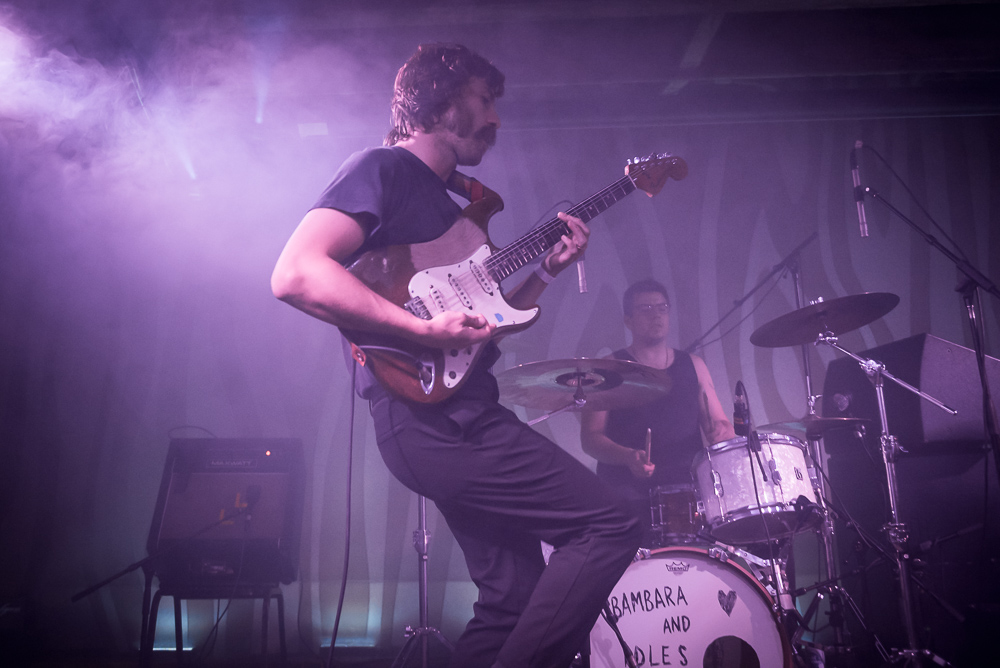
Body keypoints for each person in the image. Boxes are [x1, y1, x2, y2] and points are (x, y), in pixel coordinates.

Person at [271, 43, 641, 668]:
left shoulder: (456, 210)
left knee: (513, 600)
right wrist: (423, 331)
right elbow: (295, 273)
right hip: (438, 425)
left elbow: (476, 331)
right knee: (611, 523)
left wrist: (546, 273)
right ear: (439, 103)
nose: (495, 118)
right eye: (484, 100)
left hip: (457, 413)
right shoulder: (381, 168)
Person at [580, 279, 736, 546]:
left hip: (686, 495)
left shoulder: (694, 365)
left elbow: (719, 424)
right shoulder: (608, 368)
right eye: (646, 308)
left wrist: (725, 435)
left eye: (662, 308)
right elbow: (590, 438)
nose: (657, 315)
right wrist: (628, 457)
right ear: (628, 320)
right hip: (626, 495)